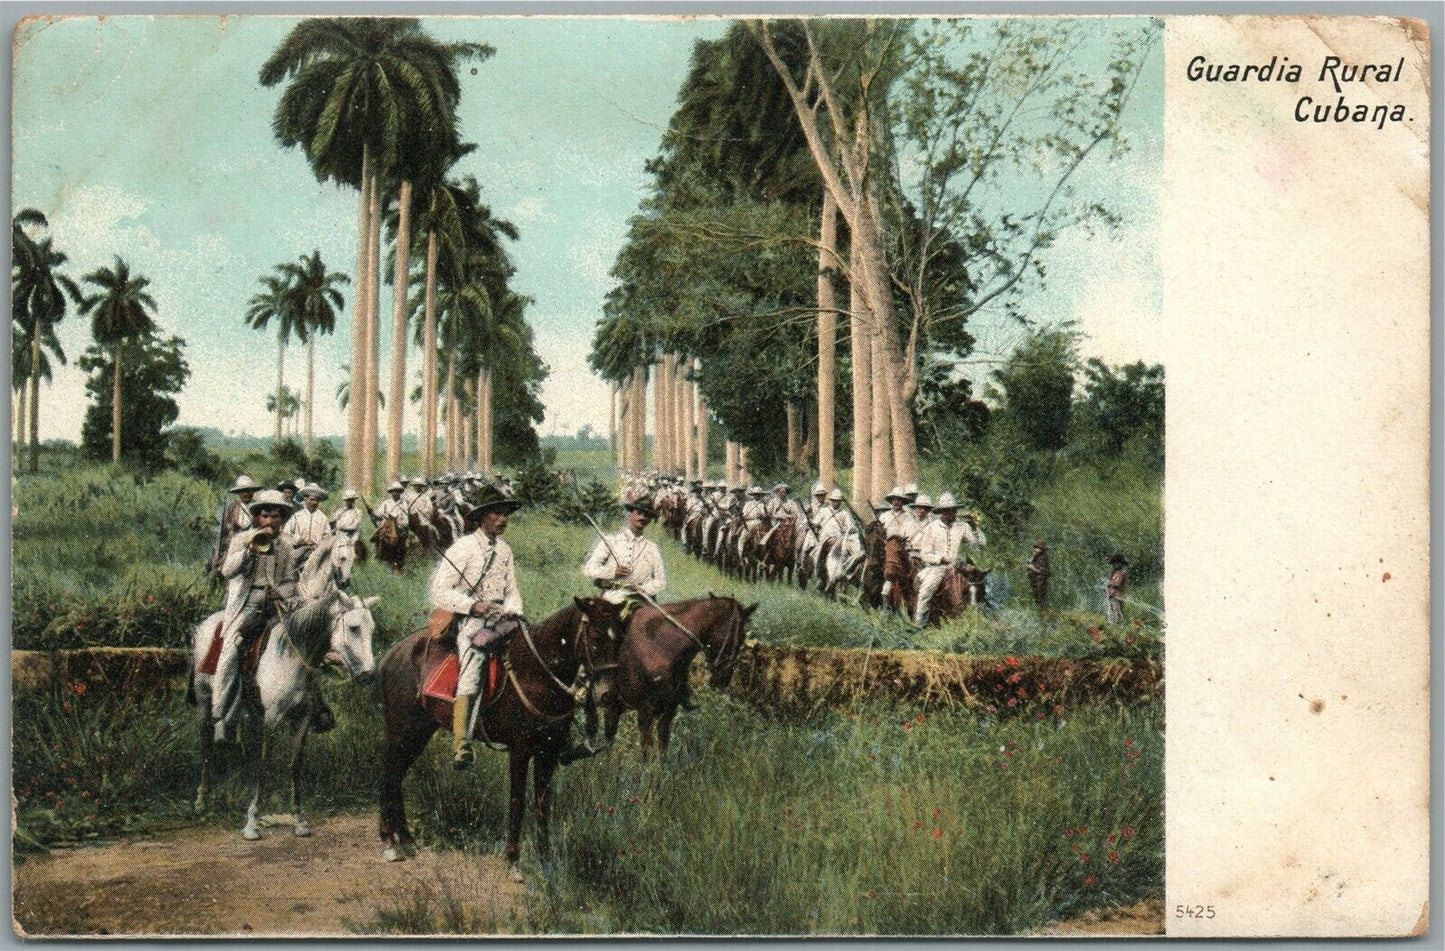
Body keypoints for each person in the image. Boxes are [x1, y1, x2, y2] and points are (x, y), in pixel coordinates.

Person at [426, 485, 524, 769]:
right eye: (496, 513)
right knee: (474, 661)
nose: (502, 519)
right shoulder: (463, 548)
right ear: (482, 517)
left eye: (505, 514)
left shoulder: (505, 550)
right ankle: (462, 744)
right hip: (471, 619)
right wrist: (472, 606)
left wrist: (513, 610)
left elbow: (512, 590)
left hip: (503, 618)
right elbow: (438, 590)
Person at [212, 489, 300, 741]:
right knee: (231, 650)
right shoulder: (242, 539)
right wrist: (250, 549)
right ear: (256, 517)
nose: (270, 521)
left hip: (274, 604)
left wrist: (279, 593)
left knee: (302, 641)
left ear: (282, 519)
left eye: (276, 516)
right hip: (246, 604)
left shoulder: (286, 545)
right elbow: (227, 572)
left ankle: (309, 705)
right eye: (265, 515)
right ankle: (220, 715)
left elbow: (291, 582)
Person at [913, 492, 973, 627]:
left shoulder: (962, 526)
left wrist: (975, 528)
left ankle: (979, 616)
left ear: (956, 511)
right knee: (925, 592)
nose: (950, 513)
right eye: (946, 511)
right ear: (941, 512)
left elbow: (978, 543)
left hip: (958, 565)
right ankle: (919, 625)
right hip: (937, 567)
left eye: (952, 510)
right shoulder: (932, 527)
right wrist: (941, 558)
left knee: (978, 581)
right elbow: (925, 553)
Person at [211, 475, 260, 577]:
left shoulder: (258, 508)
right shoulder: (232, 507)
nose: (246, 493)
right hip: (234, 546)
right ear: (239, 493)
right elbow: (223, 531)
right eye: (243, 491)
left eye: (248, 491)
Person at [284, 484, 331, 549]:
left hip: (317, 550)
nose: (314, 502)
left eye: (316, 500)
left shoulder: (323, 518)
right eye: (312, 499)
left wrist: (321, 545)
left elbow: (327, 536)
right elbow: (286, 533)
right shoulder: (297, 516)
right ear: (306, 500)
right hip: (298, 548)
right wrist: (295, 540)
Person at [1026, 538, 1050, 611]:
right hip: (1036, 579)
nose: (1035, 549)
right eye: (1035, 547)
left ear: (1042, 549)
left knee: (1040, 594)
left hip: (1041, 579)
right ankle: (1039, 609)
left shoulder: (1043, 557)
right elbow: (1029, 562)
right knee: (1036, 594)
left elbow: (1042, 570)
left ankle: (1041, 610)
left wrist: (1032, 568)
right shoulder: (1036, 556)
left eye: (1037, 548)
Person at [1106, 553, 1129, 624]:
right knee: (1112, 612)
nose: (1114, 565)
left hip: (1116, 597)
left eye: (1117, 563)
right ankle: (1114, 625)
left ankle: (1116, 625)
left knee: (1116, 613)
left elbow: (1116, 584)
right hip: (1112, 596)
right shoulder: (1115, 573)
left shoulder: (1120, 574)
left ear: (1121, 564)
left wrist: (1109, 583)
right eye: (1114, 564)